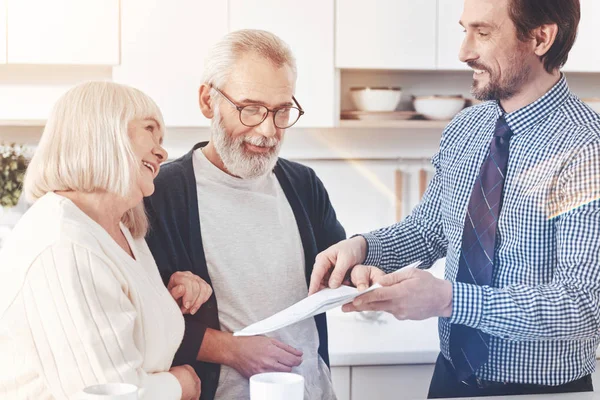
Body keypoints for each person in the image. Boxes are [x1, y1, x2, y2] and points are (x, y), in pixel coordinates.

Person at [309, 0, 600, 398]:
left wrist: (449, 300)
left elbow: (584, 305)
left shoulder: (586, 148)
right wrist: (362, 248)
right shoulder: (465, 127)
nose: (464, 51)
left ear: (541, 38)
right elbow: (428, 231)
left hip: (539, 390)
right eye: (465, 30)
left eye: (482, 32)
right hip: (448, 377)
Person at [144, 29, 345, 400]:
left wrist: (366, 275)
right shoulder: (160, 193)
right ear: (208, 100)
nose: (267, 130)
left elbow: (338, 277)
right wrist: (231, 349)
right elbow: (140, 318)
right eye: (250, 109)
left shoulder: (304, 184)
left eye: (282, 110)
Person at [0, 81, 213, 400]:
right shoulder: (64, 244)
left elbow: (122, 332)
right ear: (103, 130)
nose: (162, 150)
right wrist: (179, 385)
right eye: (149, 130)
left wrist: (169, 297)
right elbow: (107, 394)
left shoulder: (119, 229)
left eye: (162, 139)